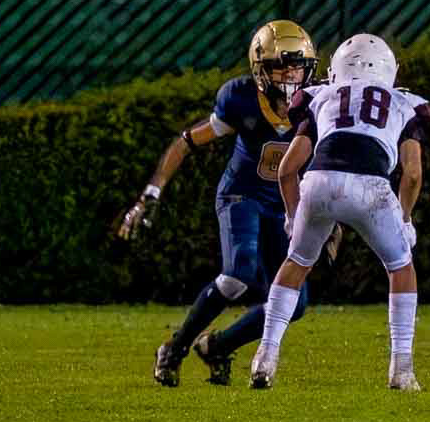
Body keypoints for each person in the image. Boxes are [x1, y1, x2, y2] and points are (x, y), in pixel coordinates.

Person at [116, 19, 331, 386]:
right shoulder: (241, 99)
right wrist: (152, 192)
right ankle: (175, 348)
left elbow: (323, 164)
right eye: (280, 67)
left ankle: (217, 346)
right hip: (240, 196)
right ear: (260, 70)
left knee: (294, 303)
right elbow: (187, 141)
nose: (290, 76)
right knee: (237, 275)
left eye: (297, 67)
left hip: (283, 206)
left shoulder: (317, 103)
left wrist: (329, 218)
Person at [247, 33, 430, 391]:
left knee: (296, 262)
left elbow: (287, 169)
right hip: (371, 186)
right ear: (389, 70)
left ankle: (265, 356)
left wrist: (293, 215)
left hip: (319, 180)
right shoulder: (405, 103)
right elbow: (412, 174)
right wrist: (405, 218)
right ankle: (401, 369)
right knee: (400, 266)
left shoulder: (321, 95)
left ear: (337, 69)